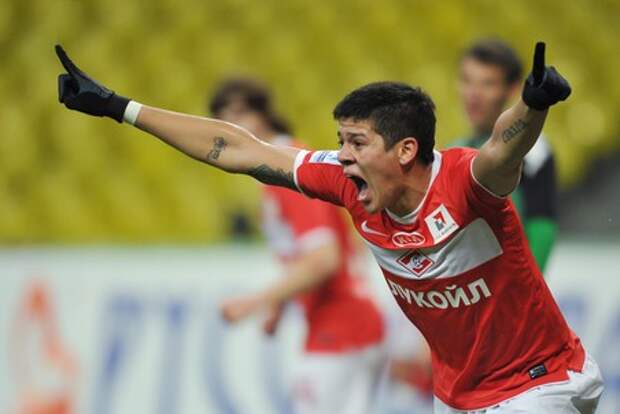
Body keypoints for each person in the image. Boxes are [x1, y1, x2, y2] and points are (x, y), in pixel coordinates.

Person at [54, 42, 604, 413]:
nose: (341, 156)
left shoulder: (465, 181)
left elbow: (503, 150)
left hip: (540, 381)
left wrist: (533, 104)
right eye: (341, 141)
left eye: (356, 142)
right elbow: (239, 149)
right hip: (461, 394)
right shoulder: (344, 183)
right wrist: (121, 108)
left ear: (405, 150)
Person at [209, 78, 386, 414]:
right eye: (222, 118)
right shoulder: (281, 166)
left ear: (263, 114)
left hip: (340, 326)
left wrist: (255, 301)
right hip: (346, 322)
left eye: (239, 113)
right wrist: (280, 304)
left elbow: (324, 258)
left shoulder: (285, 169)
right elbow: (332, 246)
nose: (231, 126)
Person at [454, 38, 558, 272]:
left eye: (488, 83)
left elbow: (542, 229)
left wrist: (525, 287)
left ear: (512, 89)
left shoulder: (534, 150)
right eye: (466, 80)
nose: (473, 94)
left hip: (508, 287)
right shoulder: (454, 149)